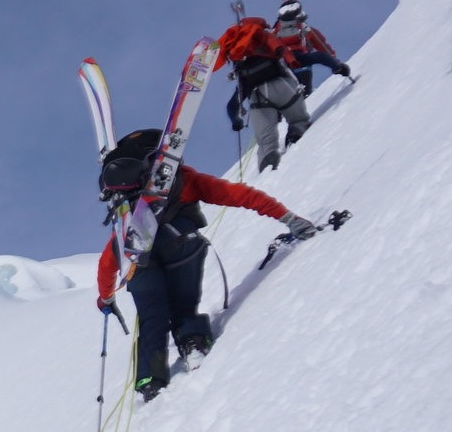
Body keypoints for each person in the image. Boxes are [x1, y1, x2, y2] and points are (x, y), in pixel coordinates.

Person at [93, 128, 321, 400]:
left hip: (138, 265)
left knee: (152, 318)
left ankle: (149, 378)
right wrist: (287, 217)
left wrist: (105, 298)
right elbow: (241, 195)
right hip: (183, 244)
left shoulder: (125, 213)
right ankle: (193, 343)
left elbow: (108, 262)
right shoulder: (185, 180)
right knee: (184, 304)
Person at [216, 8, 312, 170]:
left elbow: (232, 105)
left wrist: (236, 122)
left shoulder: (243, 72)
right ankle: (296, 133)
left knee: (266, 143)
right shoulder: (266, 39)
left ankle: (269, 161)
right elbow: (284, 51)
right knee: (298, 119)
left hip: (257, 98)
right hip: (283, 85)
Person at [272, 0, 352, 91]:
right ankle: (338, 68)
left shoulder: (275, 32)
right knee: (320, 56)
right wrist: (335, 62)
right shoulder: (304, 28)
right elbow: (321, 45)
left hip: (283, 63)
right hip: (301, 60)